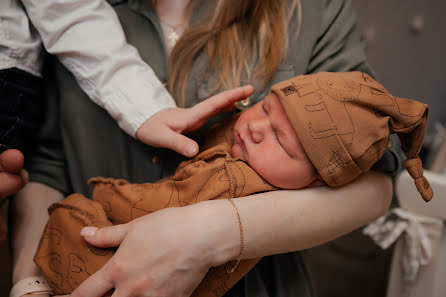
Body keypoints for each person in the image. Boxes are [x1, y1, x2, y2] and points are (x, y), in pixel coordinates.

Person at [10, 1, 400, 297]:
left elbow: (375, 182)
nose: (259, 128)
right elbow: (45, 163)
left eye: (281, 131)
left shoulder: (309, 12)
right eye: (263, 108)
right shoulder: (61, 11)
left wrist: (207, 235)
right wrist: (29, 283)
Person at [33, 71, 432, 297]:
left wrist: (103, 193)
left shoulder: (234, 182)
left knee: (69, 218)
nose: (256, 128)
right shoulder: (261, 163)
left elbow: (152, 204)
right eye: (264, 107)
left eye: (281, 140)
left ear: (315, 182)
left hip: (124, 266)